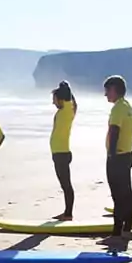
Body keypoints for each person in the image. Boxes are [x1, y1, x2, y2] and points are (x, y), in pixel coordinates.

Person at [102, 75, 132, 247]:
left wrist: (112, 154)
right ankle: (127, 231)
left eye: (107, 91)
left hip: (117, 158)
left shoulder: (118, 108)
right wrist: (129, 144)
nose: (105, 95)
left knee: (118, 197)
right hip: (127, 155)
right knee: (127, 194)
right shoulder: (127, 107)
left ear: (114, 89)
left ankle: (116, 234)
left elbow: (114, 131)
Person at [50, 80, 77, 220]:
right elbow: (74, 103)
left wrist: (66, 87)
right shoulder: (64, 110)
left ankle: (68, 214)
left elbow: (74, 103)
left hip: (62, 153)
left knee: (66, 185)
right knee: (64, 184)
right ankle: (67, 212)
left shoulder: (67, 110)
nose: (53, 103)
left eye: (54, 99)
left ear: (61, 99)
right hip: (59, 153)